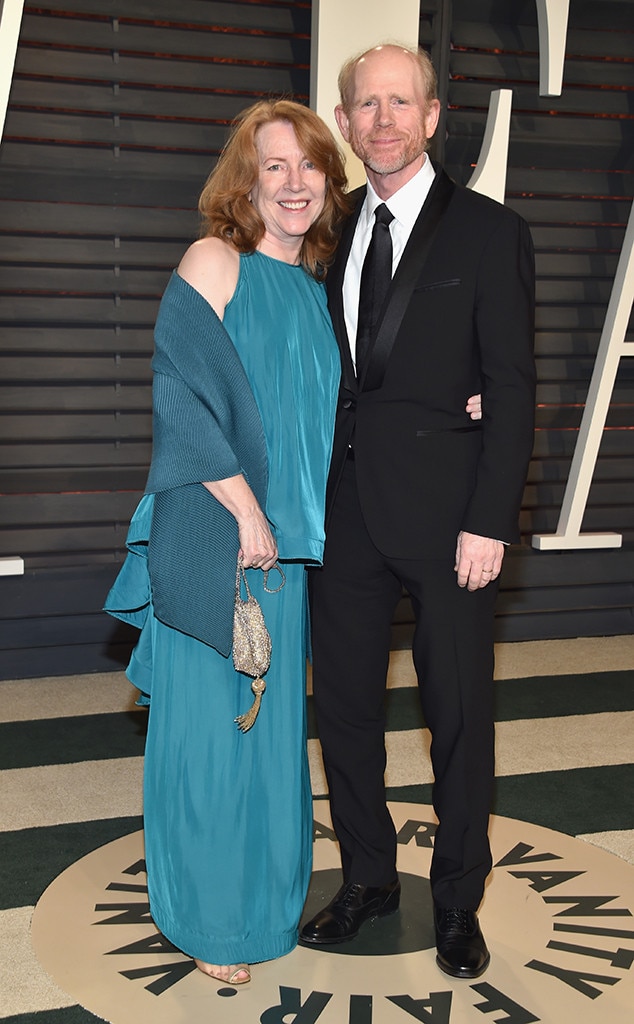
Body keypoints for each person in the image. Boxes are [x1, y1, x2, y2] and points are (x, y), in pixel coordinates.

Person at [299, 44, 536, 980]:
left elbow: (511, 386)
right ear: (348, 123)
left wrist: (492, 519)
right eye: (367, 105)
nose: (384, 119)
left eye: (402, 103)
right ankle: (367, 878)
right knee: (346, 712)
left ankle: (456, 900)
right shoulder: (326, 228)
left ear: (434, 117)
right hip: (341, 512)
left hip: (450, 520)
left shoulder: (488, 232)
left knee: (460, 716)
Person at [104, 99, 350, 985]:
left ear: (330, 178)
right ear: (243, 183)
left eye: (309, 166)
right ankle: (207, 914)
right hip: (218, 530)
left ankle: (262, 903)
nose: (293, 184)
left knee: (272, 737)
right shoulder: (217, 259)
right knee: (211, 733)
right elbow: (180, 393)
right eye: (272, 167)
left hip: (288, 549)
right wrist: (246, 511)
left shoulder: (318, 292)